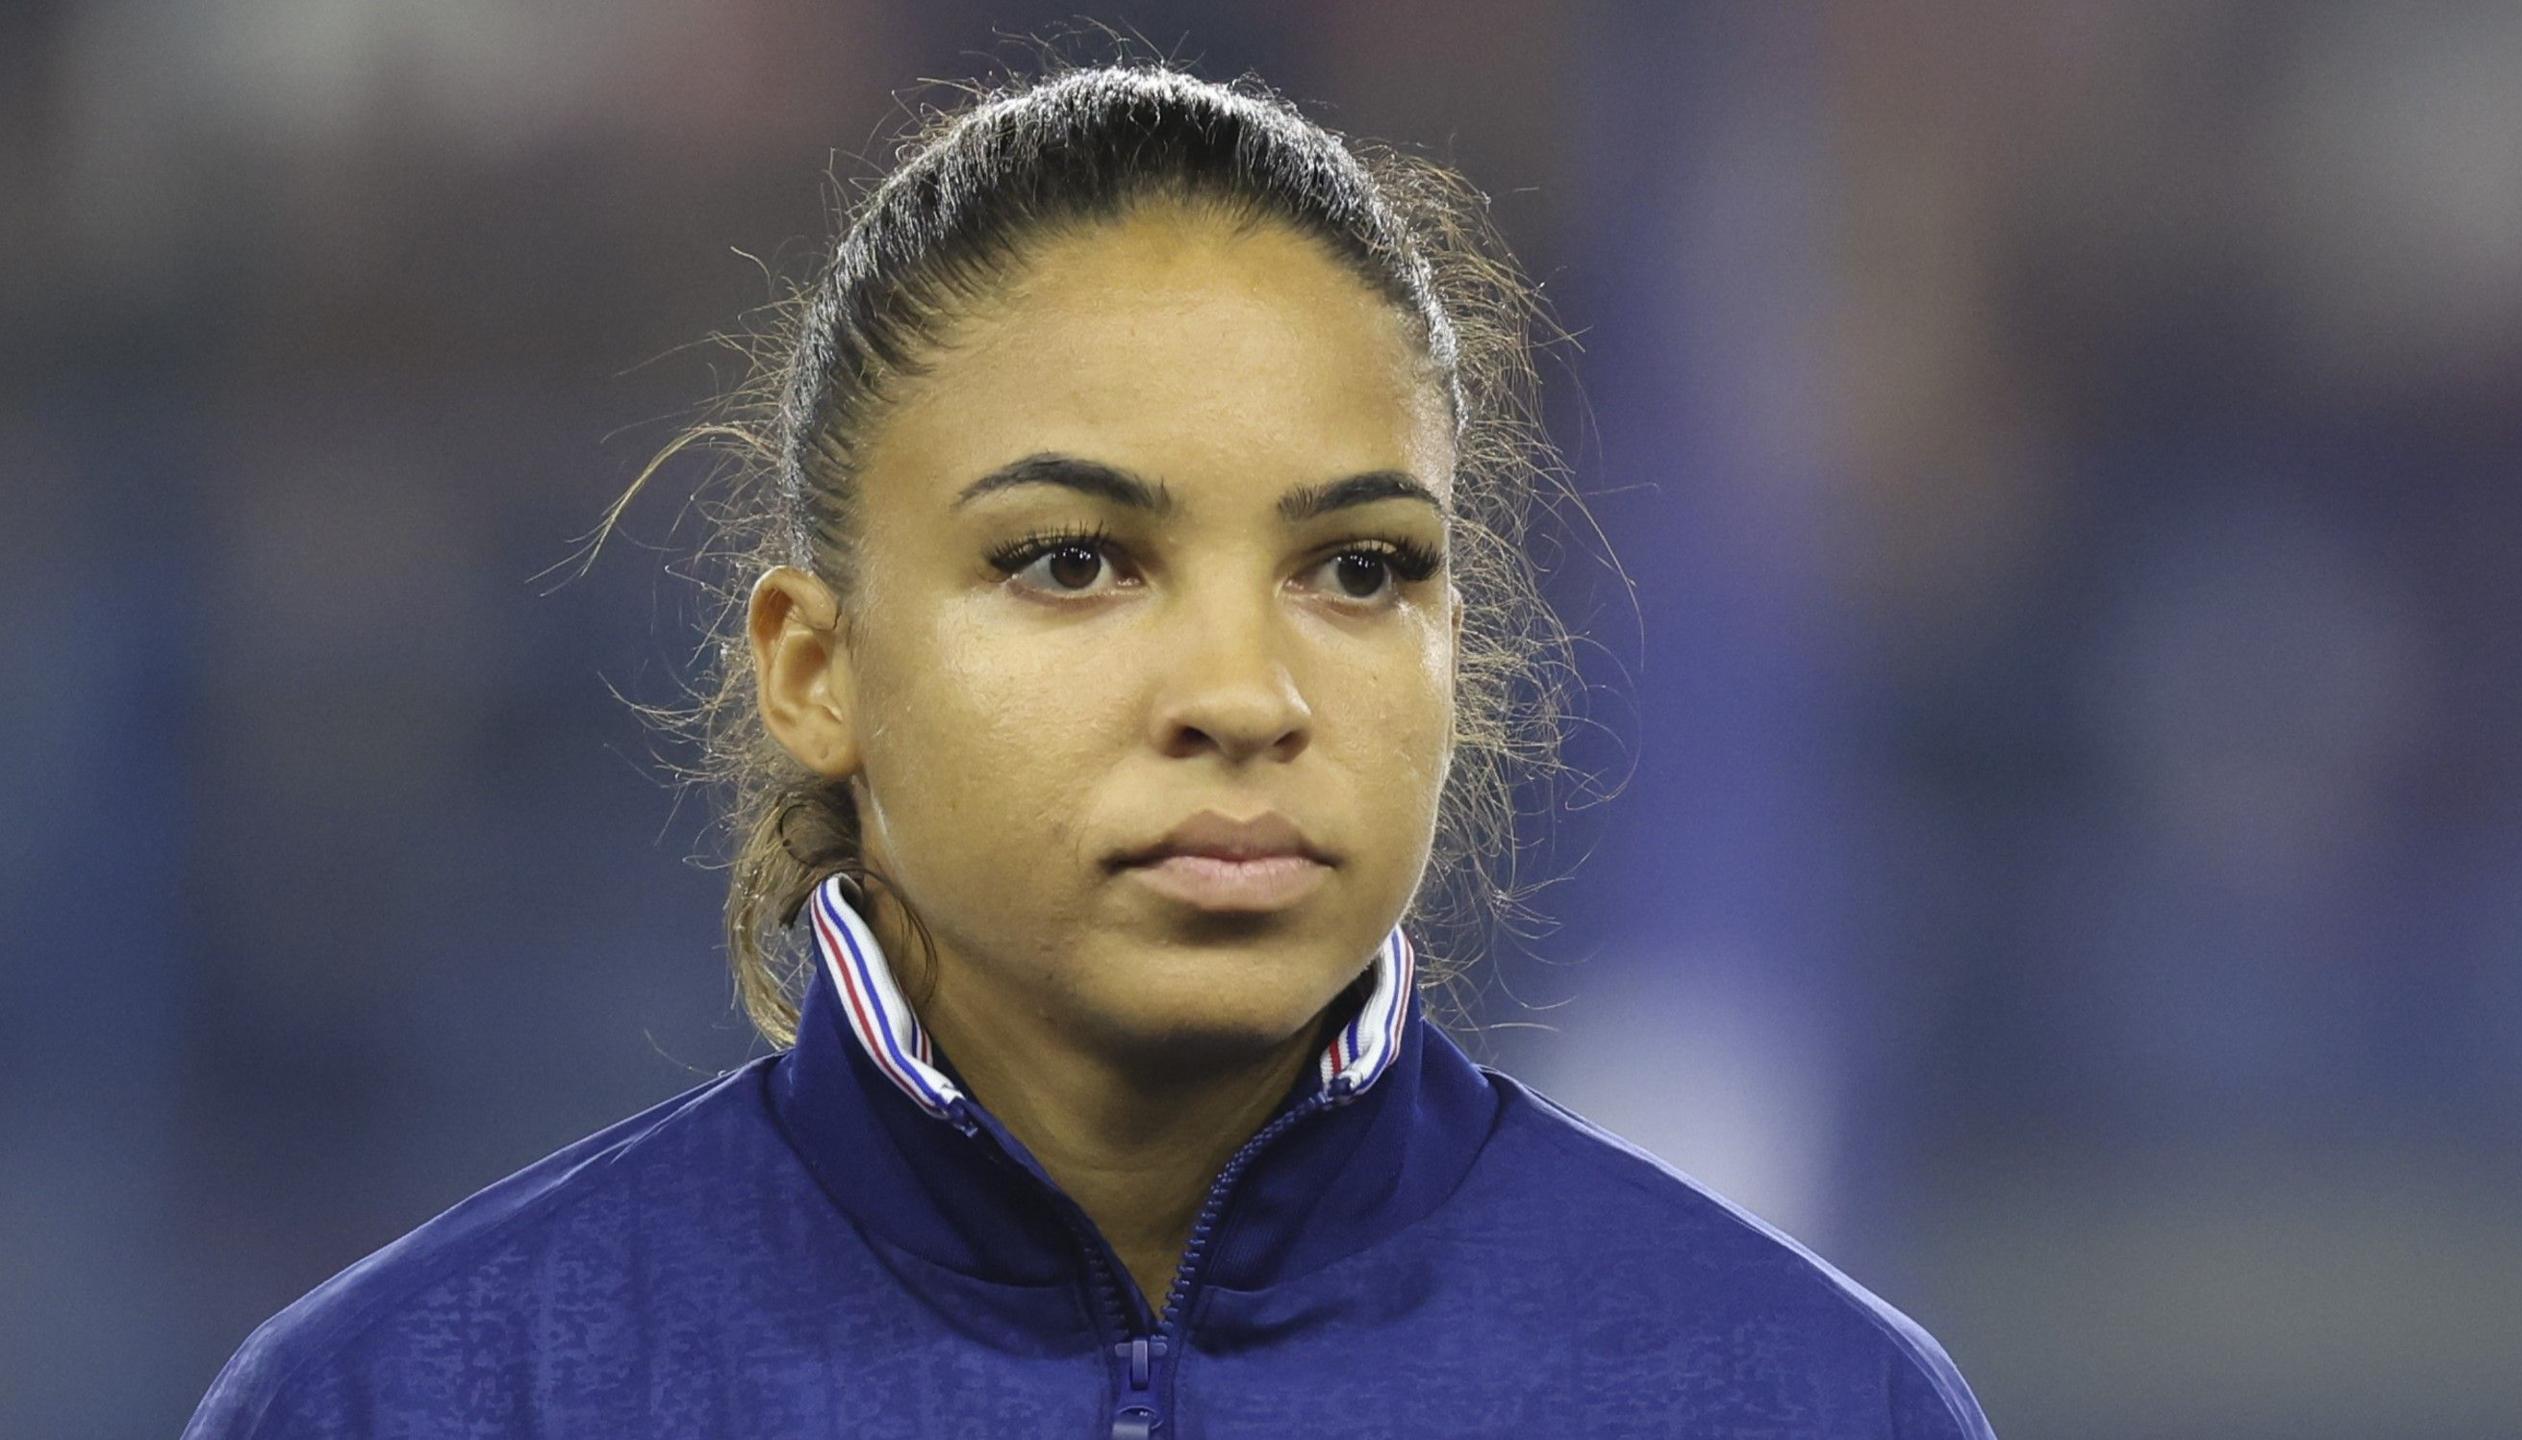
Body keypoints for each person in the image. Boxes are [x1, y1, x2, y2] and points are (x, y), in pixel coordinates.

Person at [183, 59, 1998, 1439]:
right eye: (1072, 561)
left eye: (1360, 569)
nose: (1243, 692)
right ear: (817, 668)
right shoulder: (418, 1400)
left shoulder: (1802, 1400)